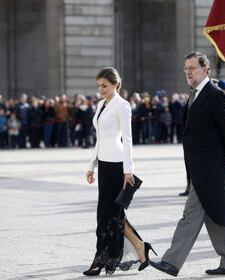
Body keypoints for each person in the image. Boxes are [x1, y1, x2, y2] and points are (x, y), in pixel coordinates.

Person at [149, 51, 225, 277]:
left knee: (190, 215)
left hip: (209, 167)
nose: (188, 72)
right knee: (216, 213)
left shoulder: (215, 94)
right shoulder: (196, 94)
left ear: (206, 69)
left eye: (192, 68)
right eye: (185, 68)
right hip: (200, 166)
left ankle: (171, 261)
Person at [84, 67, 155, 276]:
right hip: (104, 164)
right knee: (112, 214)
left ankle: (100, 261)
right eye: (98, 86)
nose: (101, 90)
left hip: (117, 166)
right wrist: (91, 165)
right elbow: (99, 138)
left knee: (107, 215)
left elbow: (128, 139)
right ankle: (141, 248)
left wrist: (128, 170)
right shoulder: (100, 105)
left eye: (104, 86)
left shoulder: (122, 105)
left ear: (116, 84)